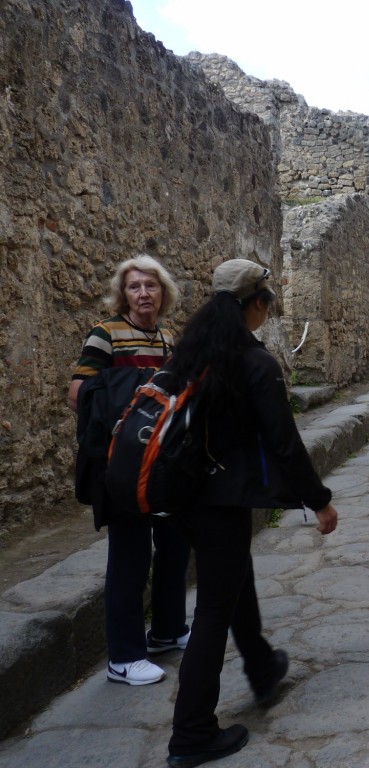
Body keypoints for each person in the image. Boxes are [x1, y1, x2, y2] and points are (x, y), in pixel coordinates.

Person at [163, 259, 338, 768]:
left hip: (183, 497)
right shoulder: (255, 363)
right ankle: (192, 733)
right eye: (267, 303)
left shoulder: (191, 353)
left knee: (234, 578)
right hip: (220, 502)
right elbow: (284, 443)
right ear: (257, 305)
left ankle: (261, 667)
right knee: (213, 610)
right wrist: (319, 500)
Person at [69, 255, 192, 687]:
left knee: (175, 544)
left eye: (150, 286)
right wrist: (131, 408)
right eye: (135, 286)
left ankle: (167, 631)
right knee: (130, 556)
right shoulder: (105, 334)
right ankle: (123, 657)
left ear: (163, 293)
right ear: (124, 294)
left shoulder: (167, 338)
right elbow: (78, 393)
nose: (143, 294)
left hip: (162, 465)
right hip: (122, 466)